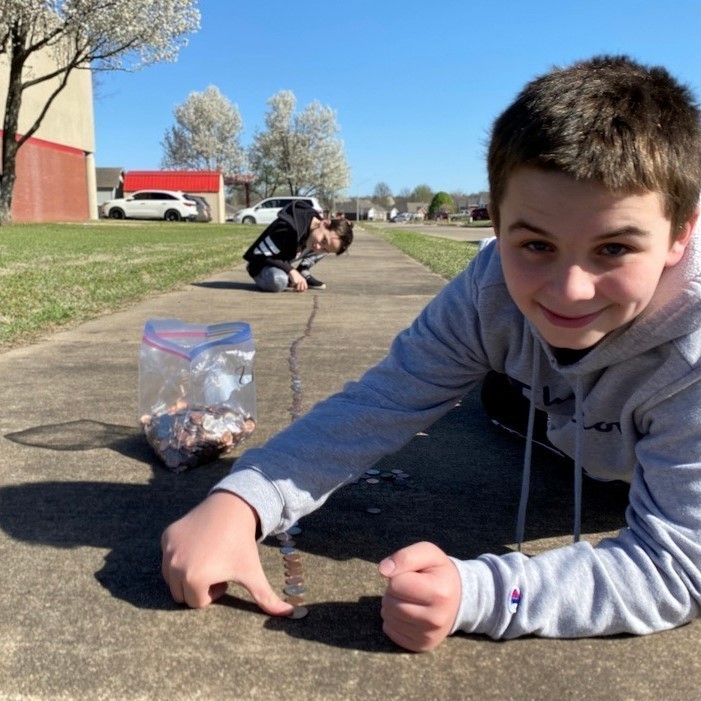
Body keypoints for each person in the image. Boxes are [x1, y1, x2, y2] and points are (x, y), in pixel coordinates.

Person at [161, 55, 701, 652]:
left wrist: (484, 592)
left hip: (663, 439)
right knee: (501, 398)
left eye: (615, 247)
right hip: (559, 414)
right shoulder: (489, 289)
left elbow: (676, 564)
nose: (570, 289)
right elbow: (386, 398)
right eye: (537, 244)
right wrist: (244, 498)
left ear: (681, 233)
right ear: (495, 223)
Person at [243, 200, 353, 292]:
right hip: (261, 262)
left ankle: (302, 270)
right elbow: (260, 254)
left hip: (285, 256)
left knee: (321, 246)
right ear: (324, 223)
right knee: (279, 281)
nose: (319, 247)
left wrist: (293, 270)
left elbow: (322, 245)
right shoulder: (287, 227)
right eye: (324, 240)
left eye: (325, 248)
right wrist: (291, 271)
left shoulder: (316, 231)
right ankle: (290, 276)